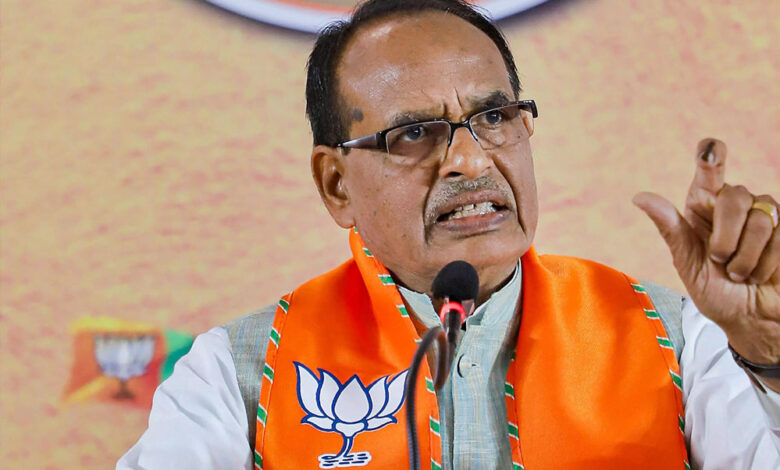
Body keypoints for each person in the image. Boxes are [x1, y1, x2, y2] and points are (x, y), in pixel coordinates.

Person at [117, 0, 780, 468]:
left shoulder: (681, 340)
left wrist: (768, 353)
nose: (470, 159)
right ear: (336, 185)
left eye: (494, 116)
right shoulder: (239, 372)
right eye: (413, 133)